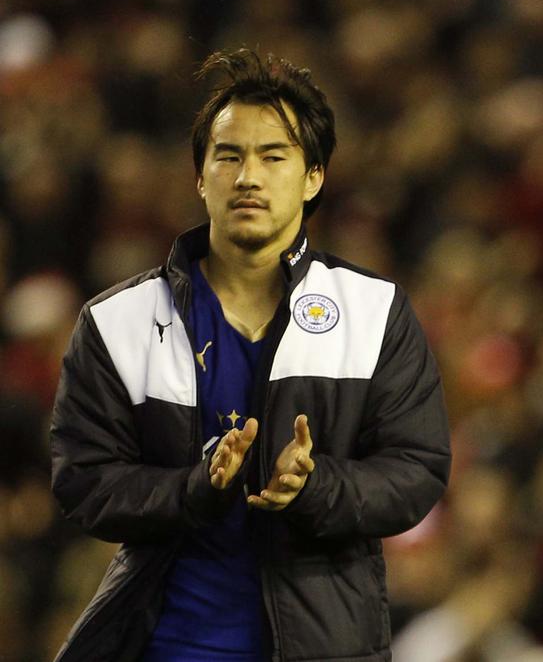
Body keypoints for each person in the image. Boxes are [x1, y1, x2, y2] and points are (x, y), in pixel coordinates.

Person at [49, 49, 451, 662]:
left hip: (324, 644)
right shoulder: (116, 322)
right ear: (200, 176)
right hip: (165, 645)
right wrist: (194, 491)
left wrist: (314, 486)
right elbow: (83, 480)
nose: (247, 177)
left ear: (313, 176)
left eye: (273, 156)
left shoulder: (375, 312)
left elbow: (418, 469)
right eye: (228, 155)